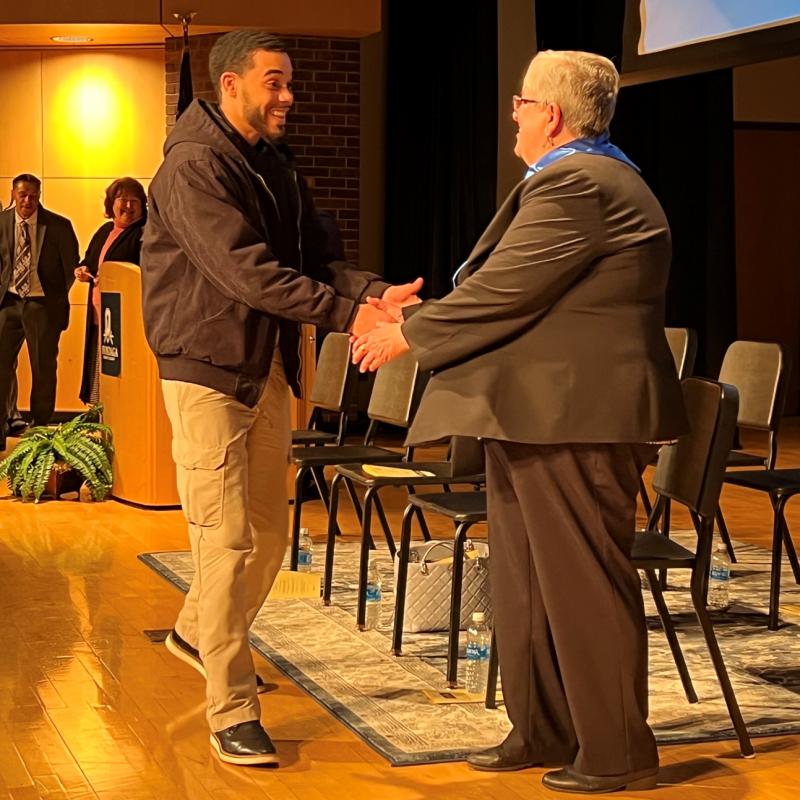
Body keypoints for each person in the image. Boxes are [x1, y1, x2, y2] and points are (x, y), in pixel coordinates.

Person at [353, 50, 688, 794]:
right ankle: (540, 727)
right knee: (527, 586)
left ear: (553, 115)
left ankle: (614, 749)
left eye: (522, 100)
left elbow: (508, 289)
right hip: (533, 414)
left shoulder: (585, 182)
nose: (512, 110)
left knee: (580, 585)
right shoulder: (578, 178)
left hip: (575, 416)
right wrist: (421, 311)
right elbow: (513, 288)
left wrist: (410, 334)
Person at [140, 29, 420, 767]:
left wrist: (375, 293)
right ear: (230, 85)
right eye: (275, 82)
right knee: (226, 542)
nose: (288, 96)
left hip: (262, 370)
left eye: (290, 82)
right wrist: (351, 317)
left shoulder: (271, 163)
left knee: (266, 539)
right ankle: (231, 710)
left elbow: (315, 259)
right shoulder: (195, 166)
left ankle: (197, 632)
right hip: (206, 372)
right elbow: (250, 275)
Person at [0, 174, 79, 451]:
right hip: (7, 304)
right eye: (22, 195)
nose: (28, 201)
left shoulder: (58, 226)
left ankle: (40, 431)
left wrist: (54, 300)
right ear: (13, 194)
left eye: (33, 195)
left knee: (42, 368)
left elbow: (70, 268)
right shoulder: (1, 223)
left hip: (41, 305)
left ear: (39, 195)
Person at [74, 177, 147, 405]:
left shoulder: (145, 232)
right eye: (123, 200)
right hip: (100, 316)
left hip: (125, 320)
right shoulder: (105, 230)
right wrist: (83, 270)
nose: (128, 206)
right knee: (97, 371)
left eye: (134, 201)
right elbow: (89, 261)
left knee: (117, 377)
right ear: (111, 204)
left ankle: (115, 422)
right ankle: (99, 419)